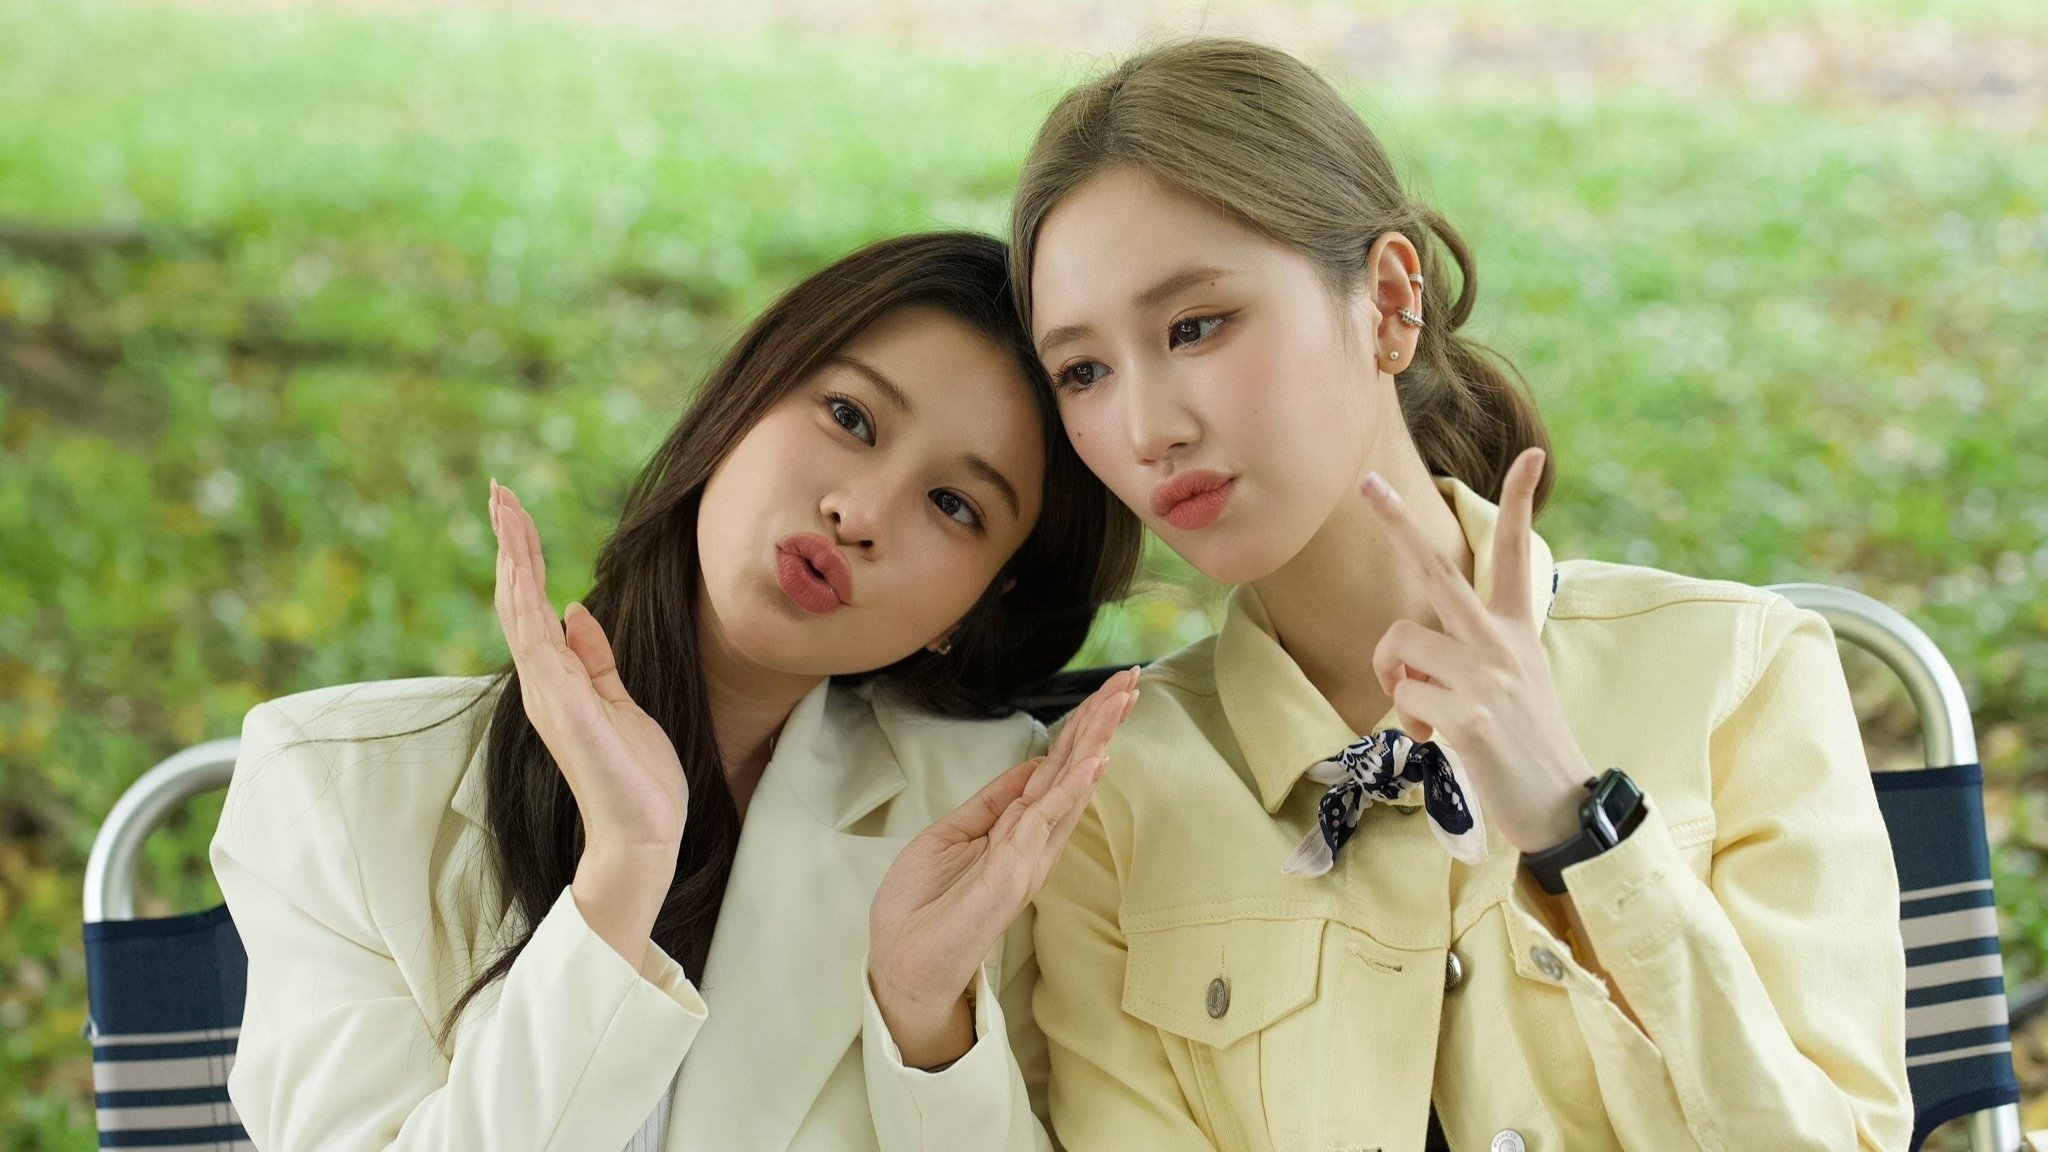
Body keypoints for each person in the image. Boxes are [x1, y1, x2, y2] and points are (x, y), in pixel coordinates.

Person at [1012, 39, 1911, 1151]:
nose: (1148, 428)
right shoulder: (1107, 802)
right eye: (1083, 372)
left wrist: (1579, 832)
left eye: (1195, 326)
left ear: (1390, 303)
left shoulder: (1735, 674)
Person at [209, 231, 1144, 1152]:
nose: (858, 514)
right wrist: (621, 877)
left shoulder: (989, 820)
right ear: (743, 399)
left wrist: (924, 1018)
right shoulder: (336, 791)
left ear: (975, 606)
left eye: (953, 506)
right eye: (850, 418)